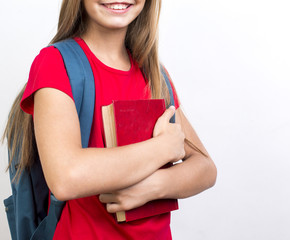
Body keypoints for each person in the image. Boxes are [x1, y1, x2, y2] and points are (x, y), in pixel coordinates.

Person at [5, 0, 217, 239]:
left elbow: (205, 167)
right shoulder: (56, 63)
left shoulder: (154, 74)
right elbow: (65, 177)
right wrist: (162, 149)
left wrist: (150, 188)